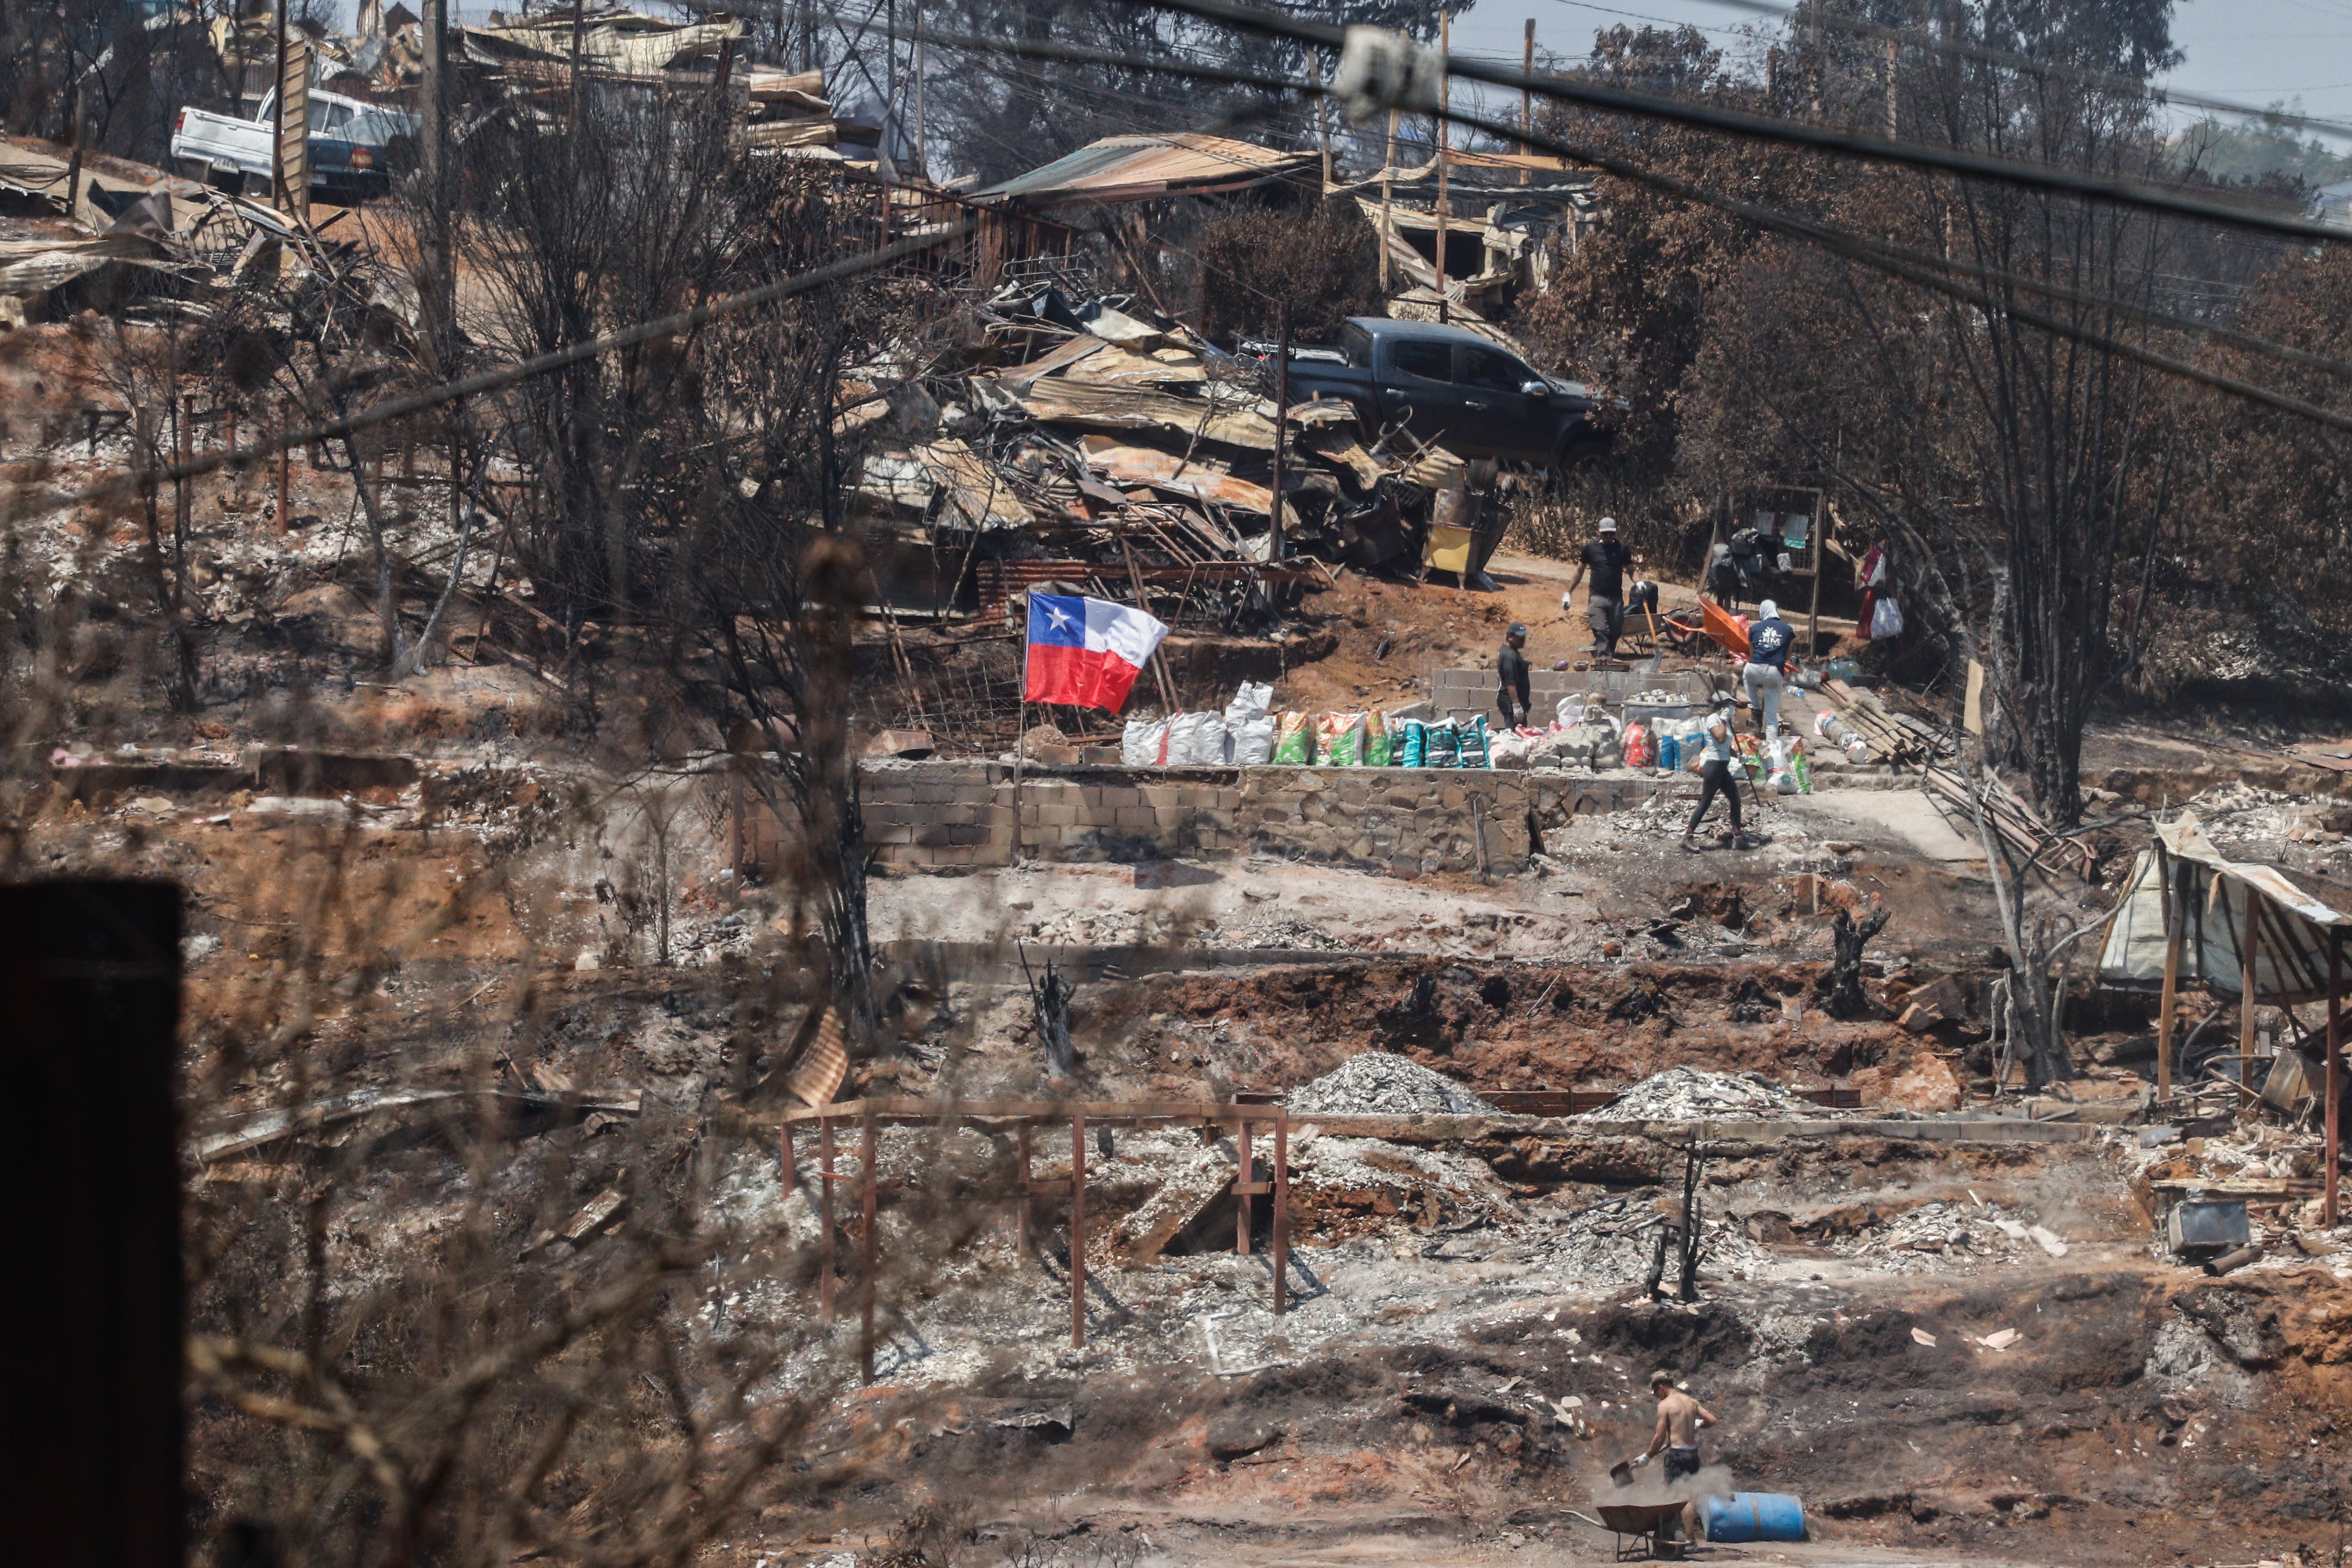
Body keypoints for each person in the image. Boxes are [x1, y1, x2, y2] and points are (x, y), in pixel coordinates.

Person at [1628, 1370, 1720, 1541]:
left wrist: (1647, 1456)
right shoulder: (1691, 1401)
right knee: (1690, 1497)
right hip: (1693, 1454)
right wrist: (1699, 1424)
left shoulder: (1665, 1405)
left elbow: (1660, 1437)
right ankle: (1691, 1540)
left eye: (1656, 1393)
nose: (1657, 1397)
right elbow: (1712, 1420)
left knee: (1676, 1497)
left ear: (1661, 1388)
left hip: (1677, 1455)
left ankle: (1676, 1536)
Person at [1681, 712, 1754, 853]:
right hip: (1714, 767)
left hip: (1722, 767)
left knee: (1735, 799)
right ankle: (1687, 837)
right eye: (1729, 705)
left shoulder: (1723, 721)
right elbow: (1720, 738)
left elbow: (1726, 745)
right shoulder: (1713, 719)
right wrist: (1724, 720)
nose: (1732, 708)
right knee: (1705, 802)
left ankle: (1738, 838)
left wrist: (1739, 756)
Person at [1565, 516, 1634, 659]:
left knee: (1615, 632)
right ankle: (1603, 659)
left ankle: (1608, 656)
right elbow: (1579, 571)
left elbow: (1632, 570)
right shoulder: (1591, 549)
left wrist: (1640, 584)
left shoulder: (1622, 549)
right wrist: (1568, 592)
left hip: (1616, 599)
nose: (1609, 537)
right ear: (1600, 533)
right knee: (1601, 630)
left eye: (1612, 534)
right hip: (1597, 598)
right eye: (1605, 534)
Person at [1743, 598, 1796, 744]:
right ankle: (1772, 752)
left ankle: (1755, 708)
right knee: (1772, 718)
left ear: (1763, 612)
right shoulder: (1788, 630)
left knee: (1747, 675)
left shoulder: (1755, 628)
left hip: (1755, 669)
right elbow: (1788, 655)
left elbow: (1751, 653)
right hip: (1774, 672)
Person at [1497, 623, 1531, 729]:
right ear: (1509, 636)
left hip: (1514, 701)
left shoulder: (1512, 652)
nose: (1523, 640)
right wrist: (1516, 706)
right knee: (1515, 734)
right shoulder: (1509, 656)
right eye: (1520, 637)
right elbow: (1511, 683)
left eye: (1524, 637)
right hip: (1510, 702)